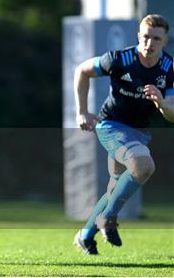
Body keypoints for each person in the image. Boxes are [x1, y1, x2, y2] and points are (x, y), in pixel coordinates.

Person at [73, 14, 173, 255]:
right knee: (144, 165)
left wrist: (161, 103)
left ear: (165, 41)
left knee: (115, 188)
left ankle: (85, 235)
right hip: (111, 126)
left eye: (156, 39)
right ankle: (106, 219)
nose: (150, 43)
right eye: (146, 37)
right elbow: (82, 70)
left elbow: (172, 114)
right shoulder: (119, 59)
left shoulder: (169, 68)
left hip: (138, 133)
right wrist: (82, 112)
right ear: (139, 36)